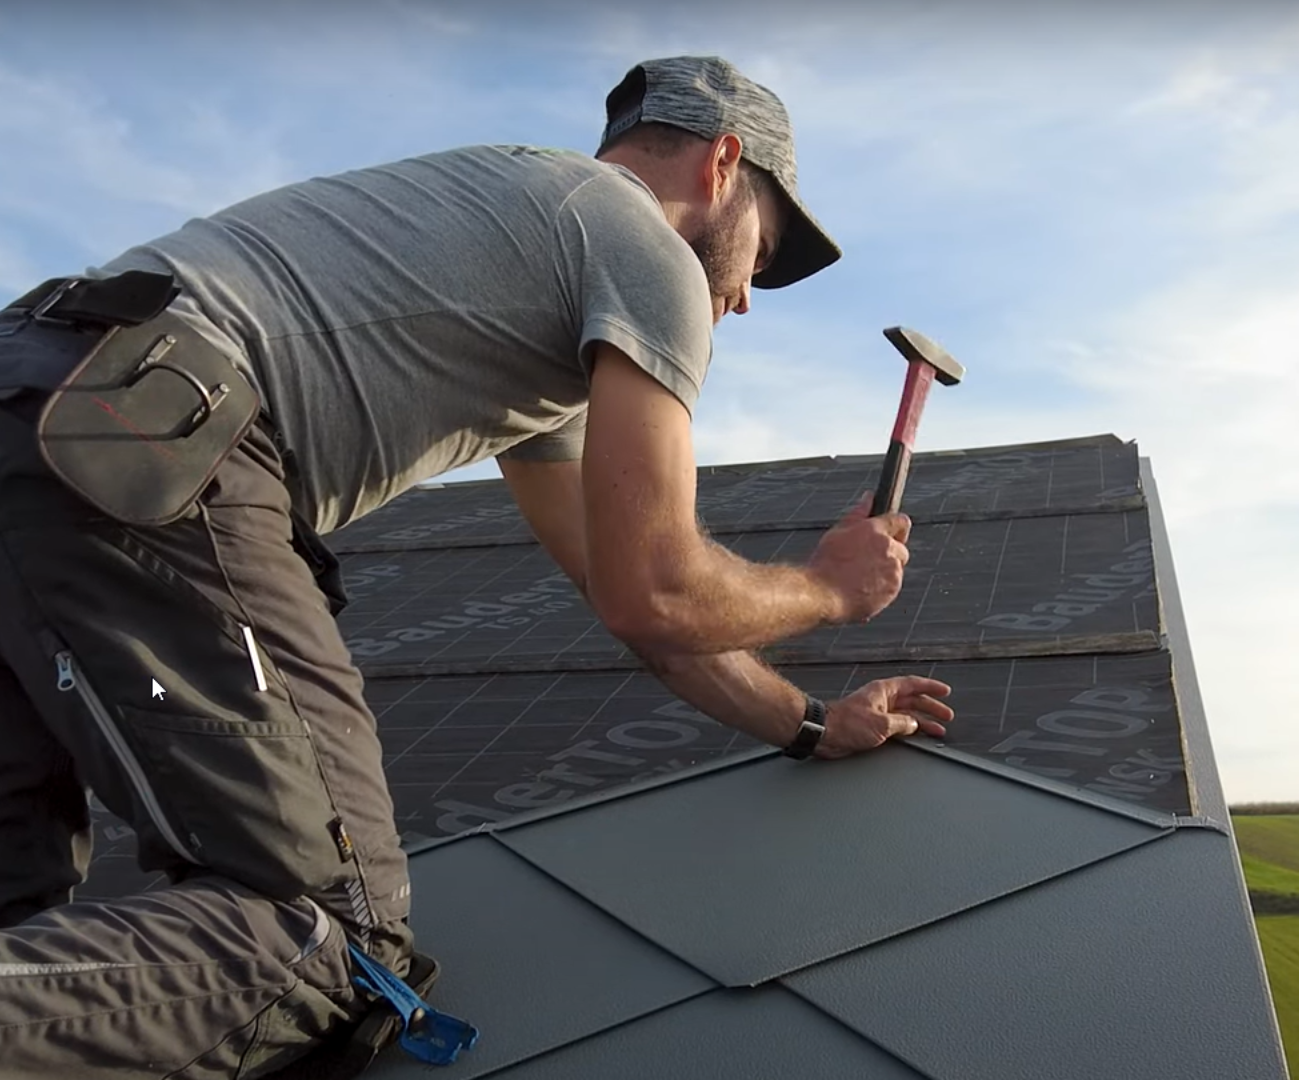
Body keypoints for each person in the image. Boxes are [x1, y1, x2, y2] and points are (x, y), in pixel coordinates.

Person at [0, 55, 954, 1077]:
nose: (748, 296)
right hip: (145, 437)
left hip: (38, 398)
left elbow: (627, 600)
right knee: (328, 936)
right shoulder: (646, 246)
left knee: (19, 882)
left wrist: (810, 725)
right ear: (723, 164)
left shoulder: (522, 233)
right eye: (763, 250)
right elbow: (659, 587)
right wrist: (828, 588)